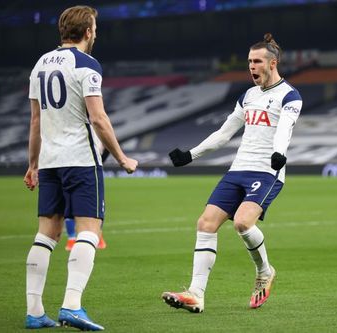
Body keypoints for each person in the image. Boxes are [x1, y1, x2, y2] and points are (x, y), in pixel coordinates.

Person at [161, 33, 302, 313]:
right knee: (205, 223)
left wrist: (279, 154)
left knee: (242, 223)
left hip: (266, 171)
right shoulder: (248, 95)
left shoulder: (290, 95)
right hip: (238, 169)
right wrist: (191, 154)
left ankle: (265, 271)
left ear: (272, 63)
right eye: (249, 61)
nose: (251, 66)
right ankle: (196, 294)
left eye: (257, 61)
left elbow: (285, 128)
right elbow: (224, 133)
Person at [24, 5, 138, 330]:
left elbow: (35, 121)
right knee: (89, 230)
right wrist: (122, 158)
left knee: (47, 234)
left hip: (49, 162)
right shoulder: (87, 65)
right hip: (81, 160)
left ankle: (34, 312)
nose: (96, 33)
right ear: (88, 31)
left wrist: (32, 164)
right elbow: (98, 118)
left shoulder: (40, 65)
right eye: (95, 28)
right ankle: (72, 305)